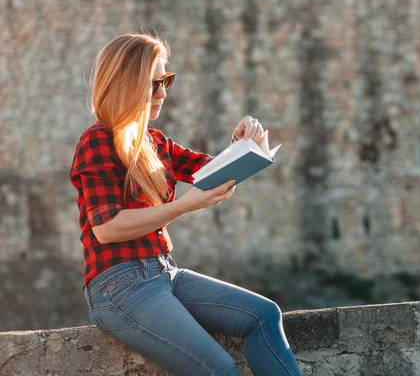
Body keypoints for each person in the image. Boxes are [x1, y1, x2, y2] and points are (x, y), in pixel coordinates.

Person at [69, 33, 303, 376]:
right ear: (125, 83)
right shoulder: (97, 140)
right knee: (216, 367)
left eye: (167, 81)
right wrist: (183, 206)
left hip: (163, 271)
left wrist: (241, 144)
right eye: (153, 84)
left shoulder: (154, 141)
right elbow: (107, 228)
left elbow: (211, 172)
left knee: (263, 315)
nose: (163, 93)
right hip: (118, 285)